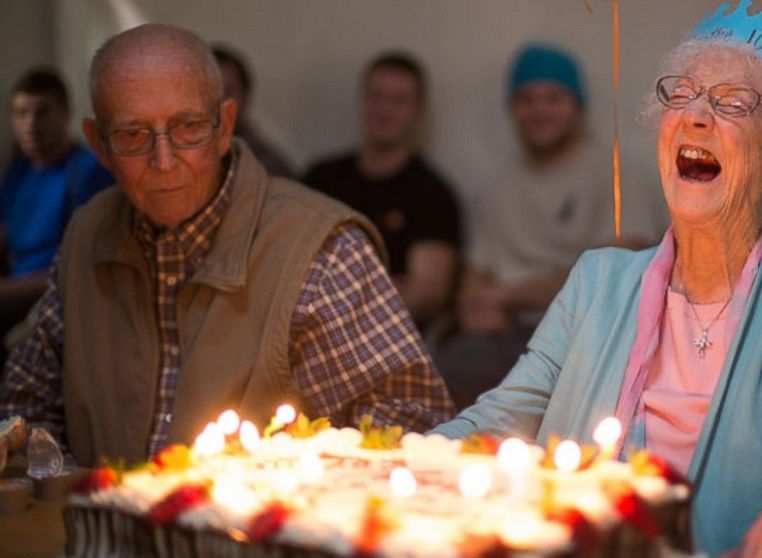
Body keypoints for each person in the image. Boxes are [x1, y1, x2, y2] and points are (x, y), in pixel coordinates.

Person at [432, 3, 762, 556]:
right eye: (682, 93)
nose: (695, 116)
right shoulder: (596, 279)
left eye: (733, 102)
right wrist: (389, 464)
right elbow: (503, 413)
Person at [0, 24, 453, 468]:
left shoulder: (319, 250)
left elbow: (409, 435)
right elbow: (26, 399)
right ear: (99, 144)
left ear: (224, 126)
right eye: (133, 135)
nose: (163, 160)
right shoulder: (86, 236)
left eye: (188, 127)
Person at [436, 43, 656, 409]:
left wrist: (506, 295)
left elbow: (616, 274)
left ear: (577, 107)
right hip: (504, 336)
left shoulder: (619, 175)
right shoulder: (495, 189)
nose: (540, 110)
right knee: (442, 376)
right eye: (527, 99)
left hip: (589, 333)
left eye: (553, 98)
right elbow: (474, 277)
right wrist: (475, 305)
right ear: (513, 109)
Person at [302, 52, 460, 327]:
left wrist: (333, 295)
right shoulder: (321, 178)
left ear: (417, 109)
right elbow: (288, 261)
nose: (385, 109)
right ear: (363, 100)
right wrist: (387, 286)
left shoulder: (432, 194)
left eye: (398, 100)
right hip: (303, 329)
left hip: (385, 335)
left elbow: (428, 293)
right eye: (376, 96)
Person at [0, 68, 114, 359]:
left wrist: (8, 290)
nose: (31, 124)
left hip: (55, 295)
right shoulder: (18, 172)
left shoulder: (87, 172)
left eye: (42, 112)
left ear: (64, 113)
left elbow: (78, 267)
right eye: (21, 113)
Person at [212, 45, 293, 177]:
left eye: (227, 91)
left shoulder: (268, 166)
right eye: (208, 91)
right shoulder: (173, 158)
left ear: (246, 95)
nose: (218, 101)